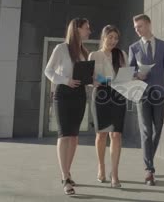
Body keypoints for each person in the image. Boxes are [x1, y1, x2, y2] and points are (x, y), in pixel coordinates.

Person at [44, 18, 91, 196]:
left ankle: (67, 172)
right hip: (63, 94)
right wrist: (65, 80)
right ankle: (64, 177)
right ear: (77, 29)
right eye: (87, 28)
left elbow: (90, 77)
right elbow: (48, 70)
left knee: (74, 137)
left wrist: (105, 82)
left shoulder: (84, 52)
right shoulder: (61, 48)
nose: (89, 31)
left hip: (79, 95)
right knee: (64, 135)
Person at [128, 14, 164, 186]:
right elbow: (129, 71)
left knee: (157, 129)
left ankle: (149, 160)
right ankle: (149, 169)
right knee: (146, 131)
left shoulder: (163, 46)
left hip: (160, 93)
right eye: (135, 27)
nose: (137, 30)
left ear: (148, 24)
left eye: (139, 26)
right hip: (142, 94)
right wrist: (137, 74)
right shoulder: (134, 47)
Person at [88, 25, 127, 188]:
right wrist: (96, 81)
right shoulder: (94, 55)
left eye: (116, 38)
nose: (113, 41)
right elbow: (89, 77)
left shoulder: (121, 54)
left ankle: (115, 173)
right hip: (101, 95)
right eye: (110, 37)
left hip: (118, 95)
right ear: (103, 37)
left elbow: (126, 76)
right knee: (102, 134)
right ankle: (101, 167)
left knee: (116, 135)